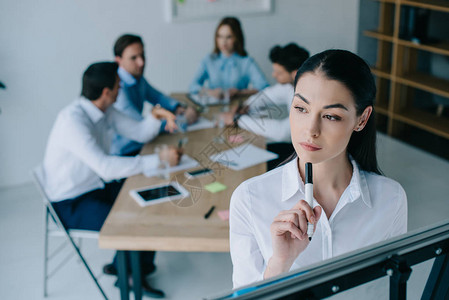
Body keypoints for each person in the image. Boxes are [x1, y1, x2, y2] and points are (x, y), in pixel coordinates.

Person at [229, 50, 408, 288]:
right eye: (301, 109)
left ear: (362, 119)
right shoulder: (249, 198)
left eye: (331, 116)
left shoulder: (391, 199)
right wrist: (280, 263)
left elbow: (388, 287)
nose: (310, 129)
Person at [42, 62, 180, 298]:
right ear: (107, 92)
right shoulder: (72, 121)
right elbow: (105, 167)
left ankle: (127, 266)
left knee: (151, 197)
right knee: (131, 222)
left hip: (94, 186)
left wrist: (154, 116)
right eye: (118, 85)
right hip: (69, 203)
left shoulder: (105, 109)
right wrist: (159, 159)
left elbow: (138, 132)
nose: (121, 89)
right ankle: (129, 278)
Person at [221, 43, 309, 169]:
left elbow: (282, 132)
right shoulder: (291, 85)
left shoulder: (306, 96)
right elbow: (268, 96)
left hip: (303, 156)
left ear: (295, 73)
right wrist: (245, 106)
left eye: (279, 72)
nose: (273, 75)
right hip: (295, 148)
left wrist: (238, 120)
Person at [112, 34, 199, 156]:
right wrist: (181, 120)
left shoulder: (137, 78)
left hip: (142, 145)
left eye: (142, 55)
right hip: (126, 153)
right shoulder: (118, 89)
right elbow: (143, 127)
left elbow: (157, 97)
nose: (141, 62)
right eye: (133, 58)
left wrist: (177, 107)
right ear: (118, 60)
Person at [189, 16, 269, 99]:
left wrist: (239, 92)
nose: (223, 42)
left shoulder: (246, 62)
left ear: (236, 38)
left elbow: (264, 87)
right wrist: (210, 92)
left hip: (238, 108)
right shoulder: (209, 60)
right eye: (220, 36)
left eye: (229, 37)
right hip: (213, 107)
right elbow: (193, 86)